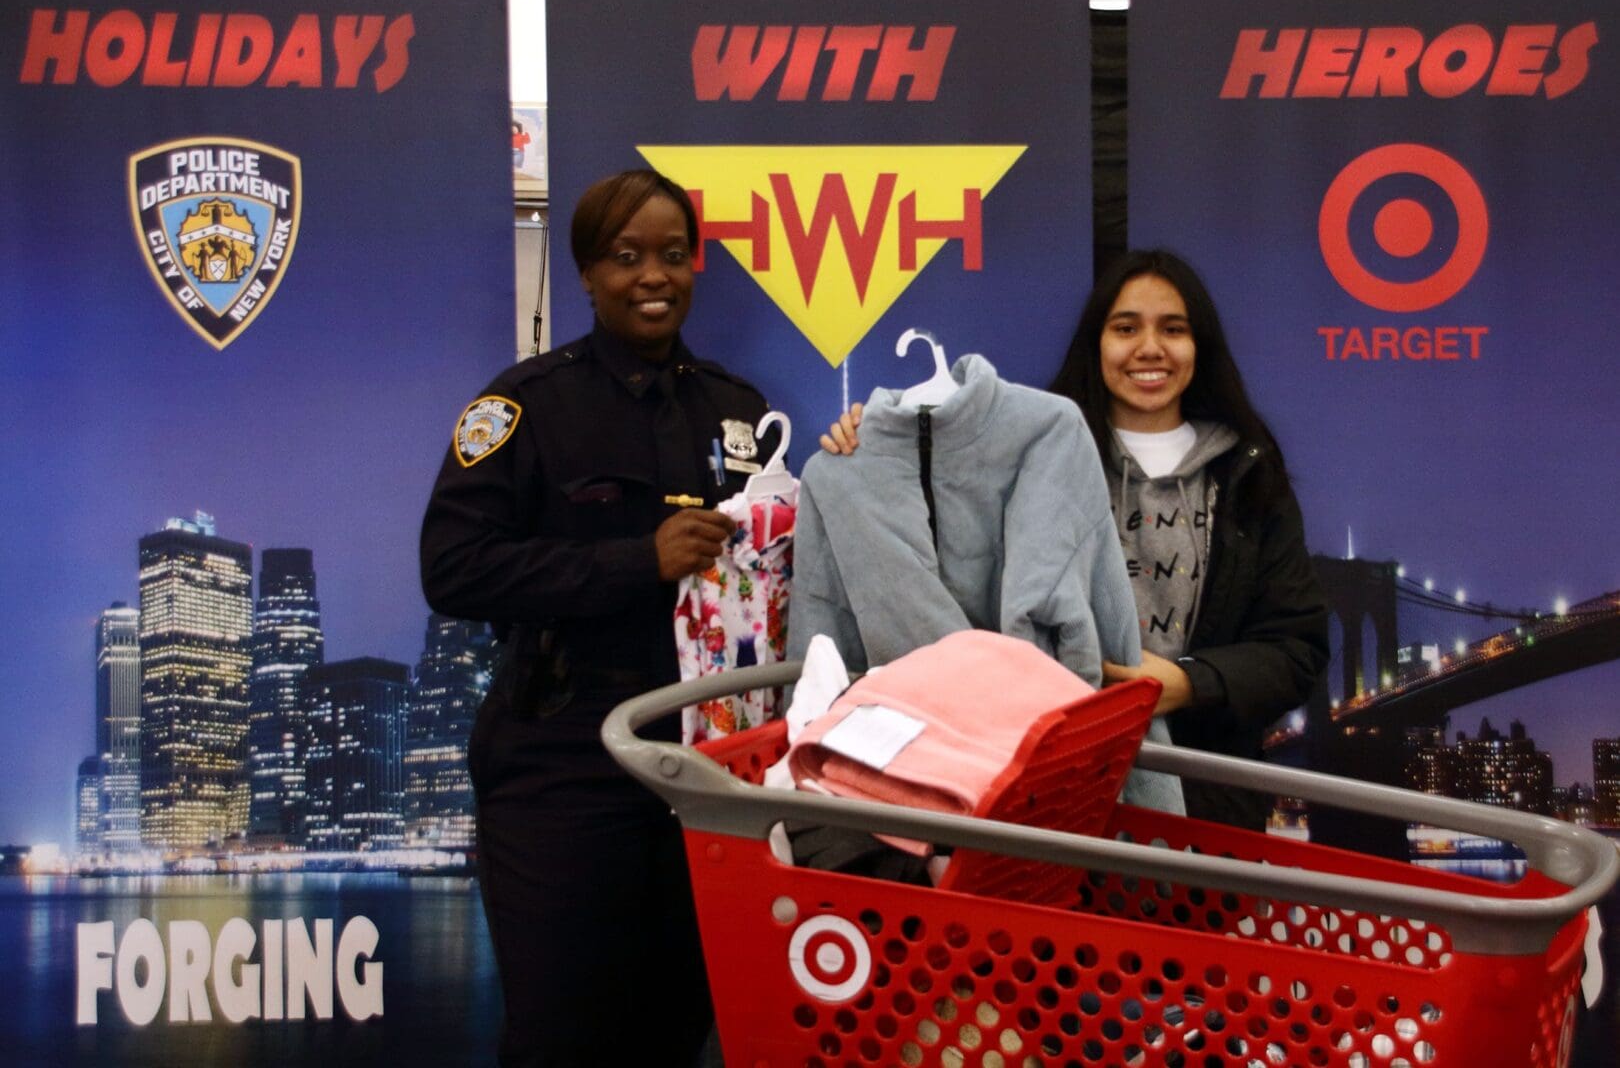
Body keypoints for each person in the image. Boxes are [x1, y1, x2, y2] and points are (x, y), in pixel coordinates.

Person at [421, 169, 774, 1066]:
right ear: (585, 272)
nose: (652, 276)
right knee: (562, 1034)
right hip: (562, 764)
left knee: (679, 1024)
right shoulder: (524, 405)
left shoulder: (739, 408)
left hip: (705, 764)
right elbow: (452, 569)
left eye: (671, 255)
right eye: (625, 258)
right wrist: (634, 561)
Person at [822, 250, 1329, 831]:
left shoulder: (1249, 473)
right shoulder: (1022, 453)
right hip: (1042, 790)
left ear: (1201, 346)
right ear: (1096, 342)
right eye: (1125, 328)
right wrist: (877, 446)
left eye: (1174, 328)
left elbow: (1297, 647)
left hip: (1207, 802)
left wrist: (1187, 685)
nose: (1149, 348)